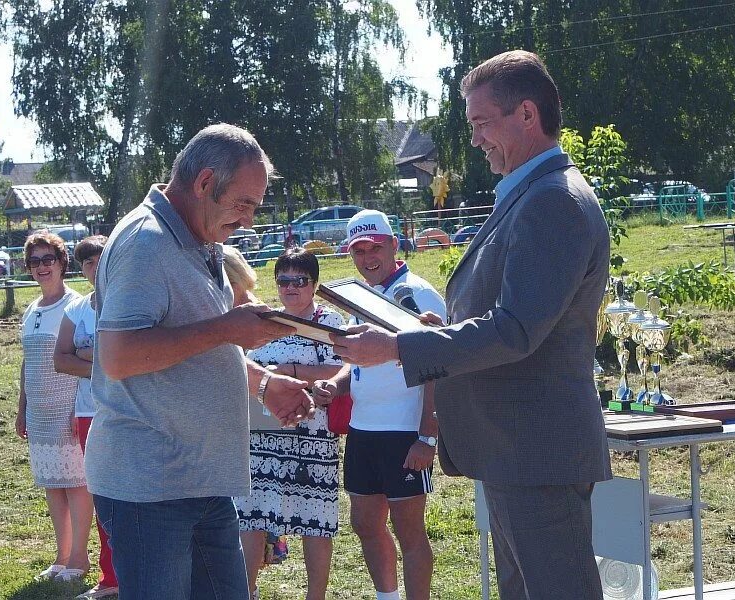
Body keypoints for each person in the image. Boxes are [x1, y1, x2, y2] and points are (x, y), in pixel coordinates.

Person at [329, 51, 612, 600]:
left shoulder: (552, 201)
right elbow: (514, 319)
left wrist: (399, 347)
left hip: (536, 451)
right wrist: (444, 328)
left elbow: (516, 331)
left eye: (482, 123)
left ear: (526, 115)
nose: (476, 139)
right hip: (517, 450)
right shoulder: (532, 195)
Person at [85, 123, 315, 600]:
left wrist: (263, 382)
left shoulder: (199, 239)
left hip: (201, 480)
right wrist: (228, 328)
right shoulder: (146, 243)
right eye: (244, 204)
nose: (249, 220)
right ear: (205, 183)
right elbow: (119, 355)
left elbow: (196, 346)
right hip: (151, 486)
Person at [313, 210, 445, 600]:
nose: (367, 257)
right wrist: (335, 386)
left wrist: (428, 435)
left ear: (393, 244)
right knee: (366, 523)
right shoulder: (360, 295)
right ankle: (387, 596)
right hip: (363, 429)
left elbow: (440, 365)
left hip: (404, 431)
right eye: (358, 250)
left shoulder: (417, 292)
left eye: (374, 247)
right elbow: (356, 363)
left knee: (410, 531)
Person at [236, 248, 345, 600]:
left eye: (299, 280)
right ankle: (247, 591)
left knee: (316, 520)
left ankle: (316, 596)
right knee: (252, 515)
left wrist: (290, 373)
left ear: (314, 284)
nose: (291, 287)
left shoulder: (331, 322)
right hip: (261, 436)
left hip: (313, 436)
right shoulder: (264, 321)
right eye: (284, 280)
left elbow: (344, 368)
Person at [15, 232, 92, 583]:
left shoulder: (74, 305)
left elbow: (78, 358)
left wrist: (78, 410)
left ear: (62, 263)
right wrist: (22, 408)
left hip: (67, 406)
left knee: (76, 482)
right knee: (52, 482)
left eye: (49, 260)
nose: (42, 267)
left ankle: (80, 557)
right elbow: (26, 363)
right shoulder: (32, 308)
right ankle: (61, 556)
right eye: (35, 261)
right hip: (39, 410)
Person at [53, 235, 119, 599]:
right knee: (101, 494)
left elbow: (130, 358)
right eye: (87, 263)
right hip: (87, 412)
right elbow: (60, 358)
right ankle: (111, 578)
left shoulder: (125, 303)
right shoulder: (77, 309)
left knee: (126, 494)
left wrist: (88, 355)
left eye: (100, 260)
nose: (94, 268)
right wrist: (102, 360)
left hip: (123, 410)